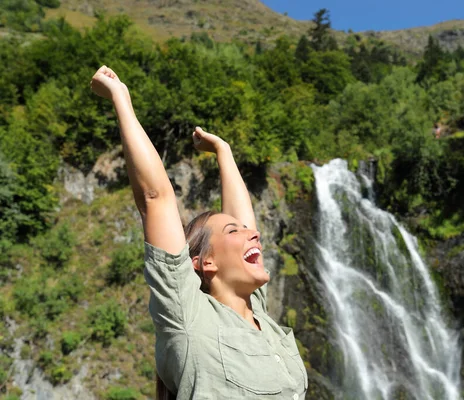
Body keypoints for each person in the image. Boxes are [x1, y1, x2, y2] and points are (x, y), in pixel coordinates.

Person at [90, 66, 308, 399]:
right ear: (205, 263)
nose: (255, 236)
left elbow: (243, 223)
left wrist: (224, 152)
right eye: (234, 231)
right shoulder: (189, 318)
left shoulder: (259, 315)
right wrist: (121, 98)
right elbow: (155, 198)